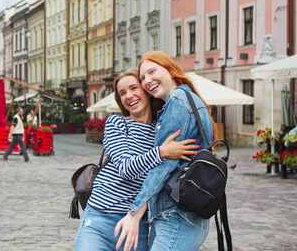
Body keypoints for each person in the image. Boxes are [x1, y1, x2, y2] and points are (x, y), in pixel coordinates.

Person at [75, 70, 199, 251]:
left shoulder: (162, 130)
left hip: (134, 225)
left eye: (133, 88)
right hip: (98, 220)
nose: (129, 96)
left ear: (146, 91)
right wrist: (162, 151)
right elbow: (126, 167)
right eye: (122, 93)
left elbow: (162, 177)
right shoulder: (116, 123)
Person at [115, 51, 214, 251]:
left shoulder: (177, 101)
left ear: (170, 70)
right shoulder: (189, 98)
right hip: (185, 214)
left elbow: (162, 167)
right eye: (143, 77)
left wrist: (134, 214)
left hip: (176, 216)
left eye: (152, 72)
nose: (147, 81)